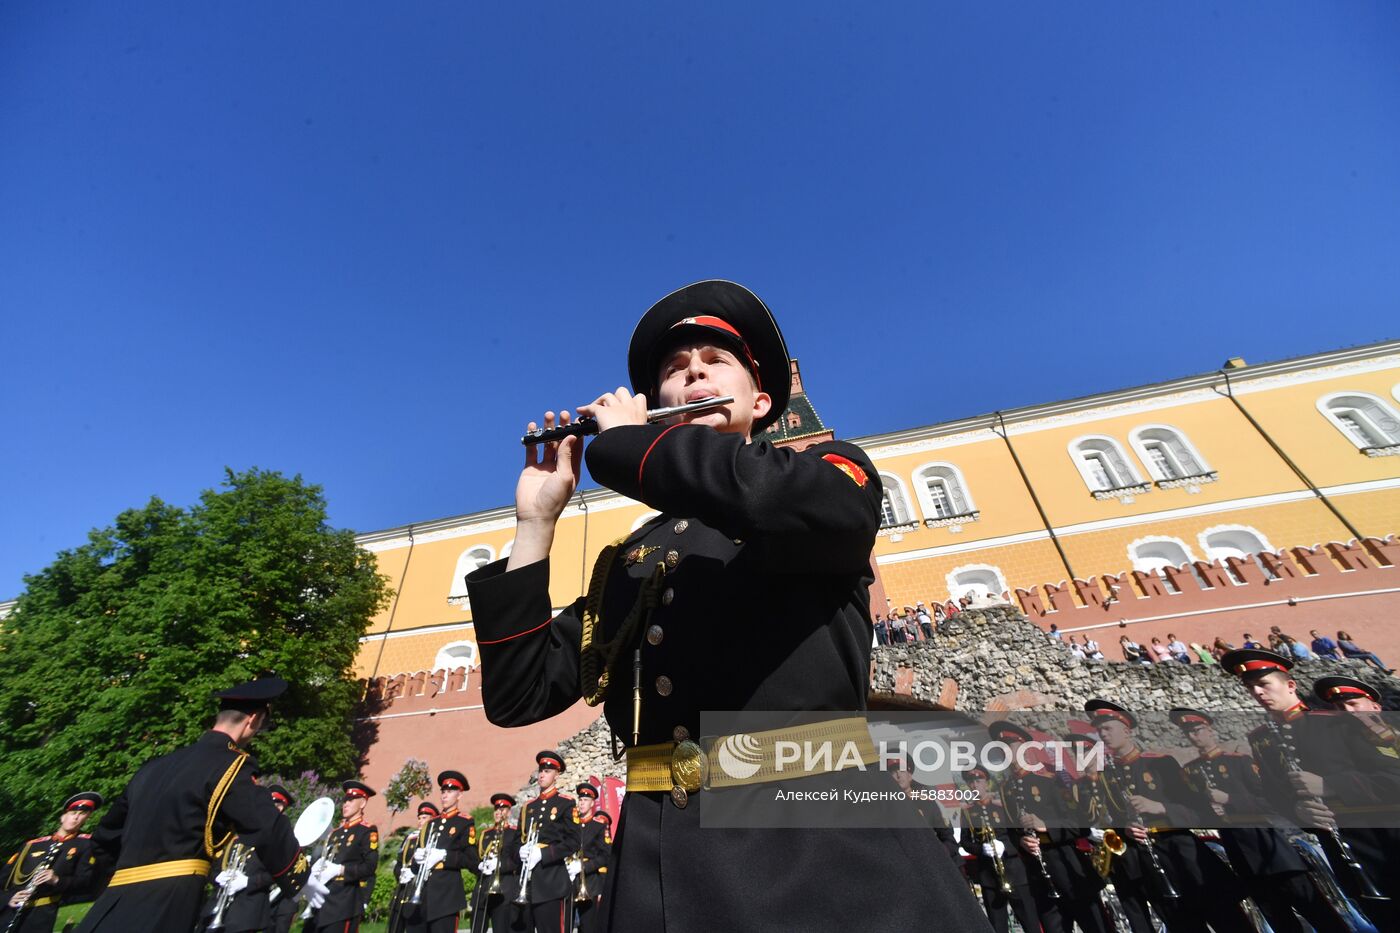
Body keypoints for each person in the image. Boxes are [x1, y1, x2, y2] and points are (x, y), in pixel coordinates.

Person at [464, 280, 989, 932]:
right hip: (661, 870)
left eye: (714, 363)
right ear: (658, 405)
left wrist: (626, 446)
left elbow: (772, 498)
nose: (692, 375)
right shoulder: (635, 560)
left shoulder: (824, 473)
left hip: (822, 853)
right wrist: (535, 523)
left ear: (761, 399)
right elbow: (520, 694)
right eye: (675, 373)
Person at [75, 678, 311, 932]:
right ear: (252, 720)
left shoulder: (152, 768)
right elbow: (267, 827)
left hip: (111, 905)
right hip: (167, 904)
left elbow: (103, 838)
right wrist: (299, 876)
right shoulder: (230, 765)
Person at [1221, 648, 1400, 931]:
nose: (1257, 692)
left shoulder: (1339, 723)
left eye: (1264, 684)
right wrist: (1299, 812)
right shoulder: (1262, 740)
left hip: (1386, 841)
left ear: (1290, 685)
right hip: (1342, 851)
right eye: (1251, 688)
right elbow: (1274, 796)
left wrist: (1330, 786)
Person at [1169, 709, 1349, 933]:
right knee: (1277, 918)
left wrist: (1230, 799)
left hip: (1267, 843)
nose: (1194, 737)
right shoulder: (1191, 770)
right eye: (1189, 734)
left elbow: (1269, 800)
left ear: (1210, 730)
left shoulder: (1239, 761)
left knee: (1315, 909)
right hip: (1238, 850)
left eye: (1197, 731)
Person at [1084, 699, 1248, 933]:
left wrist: (1161, 807)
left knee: (1226, 919)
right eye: (1099, 730)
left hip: (1183, 853)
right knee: (1180, 923)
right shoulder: (1107, 776)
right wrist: (1127, 830)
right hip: (1149, 860)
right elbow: (1114, 819)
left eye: (1108, 728)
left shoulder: (1161, 764)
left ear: (1127, 731)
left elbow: (1201, 811)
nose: (1103, 734)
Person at [990, 722, 1110, 933]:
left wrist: (1046, 826)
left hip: (1068, 865)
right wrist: (1022, 842)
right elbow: (1010, 832)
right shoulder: (1005, 789)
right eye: (1001, 746)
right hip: (1038, 872)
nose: (1006, 751)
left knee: (1095, 926)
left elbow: (1080, 825)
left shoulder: (1050, 781)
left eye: (1010, 745)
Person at [0, 792, 102, 933]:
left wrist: (56, 880)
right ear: (63, 816)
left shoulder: (86, 845)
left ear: (86, 819)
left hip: (42, 915)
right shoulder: (31, 845)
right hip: (10, 913)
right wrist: (8, 898)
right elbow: (3, 880)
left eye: (82, 814)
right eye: (73, 812)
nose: (76, 817)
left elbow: (85, 882)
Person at [957, 768, 1041, 933]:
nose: (975, 786)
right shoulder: (967, 812)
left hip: (1014, 870)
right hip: (989, 875)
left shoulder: (1002, 806)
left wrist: (1006, 846)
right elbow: (965, 842)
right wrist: (981, 849)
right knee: (997, 925)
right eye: (971, 782)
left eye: (978, 781)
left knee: (1030, 921)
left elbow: (1018, 834)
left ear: (986, 783)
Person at [404, 770, 476, 933]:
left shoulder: (464, 822)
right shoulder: (430, 824)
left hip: (446, 897)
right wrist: (417, 858)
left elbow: (471, 861)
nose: (444, 795)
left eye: (450, 791)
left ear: (459, 795)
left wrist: (444, 856)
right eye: (443, 791)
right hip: (422, 895)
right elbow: (416, 865)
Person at [516, 751, 578, 933]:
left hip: (551, 883)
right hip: (526, 885)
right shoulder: (528, 807)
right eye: (541, 770)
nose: (542, 774)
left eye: (548, 771)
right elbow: (515, 841)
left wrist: (542, 853)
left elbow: (574, 842)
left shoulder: (565, 803)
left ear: (557, 775)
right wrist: (520, 851)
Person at [307, 781, 380, 933]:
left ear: (363, 803)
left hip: (344, 903)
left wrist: (341, 870)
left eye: (351, 800)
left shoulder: (366, 831)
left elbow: (369, 867)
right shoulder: (335, 833)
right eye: (345, 800)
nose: (345, 804)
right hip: (323, 899)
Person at [471, 793, 522, 933]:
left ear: (509, 811)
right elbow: (476, 856)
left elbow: (518, 861)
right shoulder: (485, 834)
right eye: (496, 809)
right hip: (483, 888)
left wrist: (500, 865)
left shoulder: (514, 833)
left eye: (503, 809)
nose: (499, 812)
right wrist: (480, 865)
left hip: (504, 889)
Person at [388, 802, 438, 933]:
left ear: (433, 819)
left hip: (420, 891)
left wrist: (413, 873)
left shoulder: (434, 837)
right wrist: (401, 874)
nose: (420, 821)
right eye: (419, 818)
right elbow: (399, 862)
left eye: (424, 818)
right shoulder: (410, 838)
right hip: (403, 891)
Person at [572, 784, 610, 933]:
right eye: (580, 799)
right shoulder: (571, 825)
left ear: (592, 803)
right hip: (570, 882)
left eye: (586, 800)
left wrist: (584, 867)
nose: (582, 803)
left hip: (590, 884)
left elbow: (605, 856)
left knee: (588, 926)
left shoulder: (598, 826)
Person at [266, 785, 301, 933]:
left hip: (286, 899)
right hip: (267, 893)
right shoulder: (262, 829)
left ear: (280, 808)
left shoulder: (284, 831)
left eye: (274, 803)